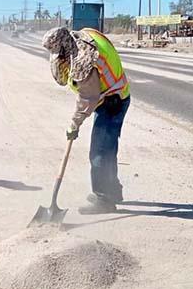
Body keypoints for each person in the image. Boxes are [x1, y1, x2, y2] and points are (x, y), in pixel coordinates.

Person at [42, 27, 131, 214]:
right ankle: (112, 191)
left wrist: (74, 125)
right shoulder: (84, 35)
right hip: (115, 92)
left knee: (99, 151)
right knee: (108, 148)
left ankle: (104, 200)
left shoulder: (84, 63)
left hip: (112, 101)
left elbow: (87, 99)